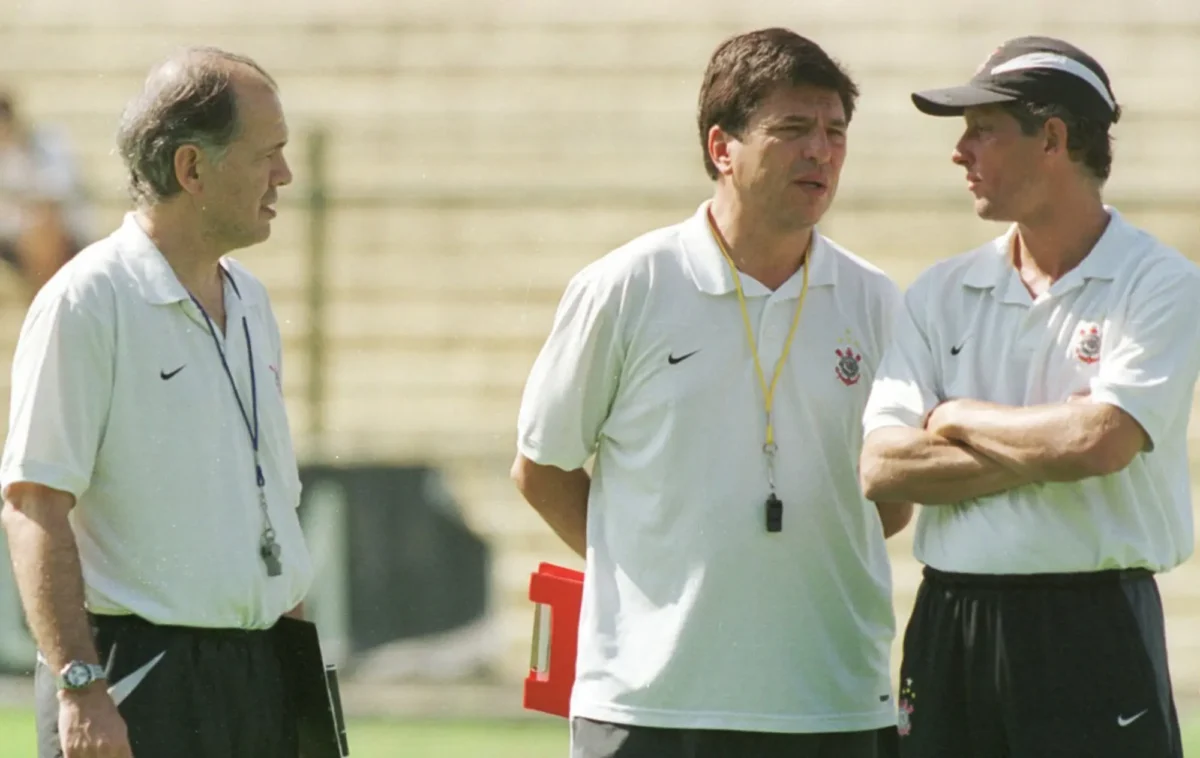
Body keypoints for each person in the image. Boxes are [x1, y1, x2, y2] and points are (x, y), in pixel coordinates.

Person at [513, 27, 911, 758]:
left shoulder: (876, 300)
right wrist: (653, 567)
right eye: (792, 129)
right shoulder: (626, 287)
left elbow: (891, 501)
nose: (820, 151)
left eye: (834, 132)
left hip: (832, 702)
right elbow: (542, 467)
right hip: (649, 703)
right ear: (721, 147)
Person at [859, 36, 1197, 758]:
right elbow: (883, 469)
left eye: (982, 129)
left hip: (1093, 627)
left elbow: (1100, 443)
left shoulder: (1160, 283)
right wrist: (1053, 446)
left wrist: (954, 418)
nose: (961, 152)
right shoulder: (940, 292)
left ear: (1052, 136)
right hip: (951, 619)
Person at [0, 47, 313, 758]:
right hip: (138, 679)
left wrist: (294, 680)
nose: (285, 175)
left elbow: (269, 504)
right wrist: (81, 689)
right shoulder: (86, 302)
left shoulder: (253, 301)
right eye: (267, 154)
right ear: (192, 170)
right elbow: (33, 506)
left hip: (260, 672)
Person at [0, 89, 93, 297]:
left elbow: (59, 191)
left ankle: (52, 298)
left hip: (52, 230)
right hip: (11, 234)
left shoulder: (45, 143)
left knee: (43, 225)